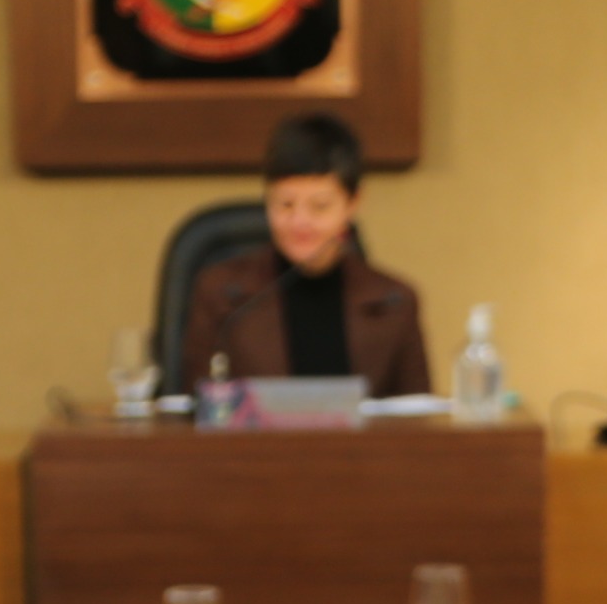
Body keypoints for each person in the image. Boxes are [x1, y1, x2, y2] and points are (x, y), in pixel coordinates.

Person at [180, 112, 430, 398]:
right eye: (285, 204)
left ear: (353, 203)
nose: (300, 222)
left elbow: (417, 417)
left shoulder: (395, 302)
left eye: (319, 206)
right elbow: (196, 409)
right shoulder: (221, 294)